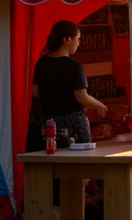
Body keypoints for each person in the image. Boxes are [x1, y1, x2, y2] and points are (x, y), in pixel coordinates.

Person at [32, 20, 108, 148]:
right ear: (67, 40)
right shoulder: (74, 66)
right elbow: (82, 98)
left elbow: (36, 92)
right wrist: (99, 105)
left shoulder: (41, 64)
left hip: (49, 124)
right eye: (77, 39)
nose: (79, 43)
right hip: (73, 124)